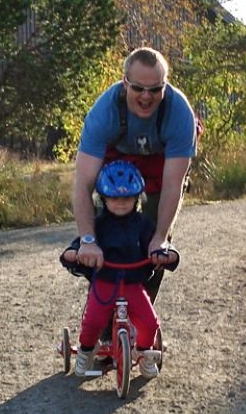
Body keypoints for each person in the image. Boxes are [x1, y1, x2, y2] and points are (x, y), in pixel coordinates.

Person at [71, 46, 196, 301]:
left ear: (165, 85)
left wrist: (160, 238)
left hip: (160, 166)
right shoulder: (104, 112)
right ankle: (103, 307)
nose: (146, 97)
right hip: (116, 163)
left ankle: (142, 310)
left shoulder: (180, 114)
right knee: (105, 233)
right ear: (125, 82)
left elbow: (173, 185)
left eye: (155, 89)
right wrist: (88, 240)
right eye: (138, 88)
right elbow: (83, 183)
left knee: (153, 246)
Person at [61, 161, 178, 377]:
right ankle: (87, 350)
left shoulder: (143, 225)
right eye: (114, 198)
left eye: (127, 198)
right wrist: (74, 253)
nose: (121, 203)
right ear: (103, 198)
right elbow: (82, 243)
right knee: (93, 320)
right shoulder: (97, 225)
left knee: (150, 322)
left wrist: (167, 254)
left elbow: (157, 244)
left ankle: (143, 351)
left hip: (133, 284)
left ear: (137, 198)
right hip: (105, 283)